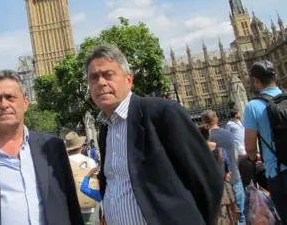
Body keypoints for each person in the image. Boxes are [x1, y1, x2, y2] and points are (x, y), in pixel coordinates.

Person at [86, 44, 223, 225]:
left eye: (108, 75)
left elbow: (207, 180)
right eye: (94, 78)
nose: (101, 83)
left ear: (129, 80)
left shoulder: (163, 113)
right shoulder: (105, 127)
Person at [0, 69, 83, 225]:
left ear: (26, 103)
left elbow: (72, 208)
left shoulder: (52, 148)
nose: (3, 104)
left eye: (10, 97)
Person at [244, 60, 287, 224]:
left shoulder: (253, 106)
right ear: (276, 76)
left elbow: (250, 147)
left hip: (277, 173)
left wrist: (253, 159)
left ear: (256, 81)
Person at [201, 110, 245, 224]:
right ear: (217, 119)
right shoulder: (228, 133)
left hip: (220, 184)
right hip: (235, 177)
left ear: (204, 122)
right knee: (241, 215)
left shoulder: (205, 139)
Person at [65, 131, 98, 224]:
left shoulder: (63, 162)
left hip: (70, 207)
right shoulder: (90, 161)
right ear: (80, 147)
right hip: (87, 205)